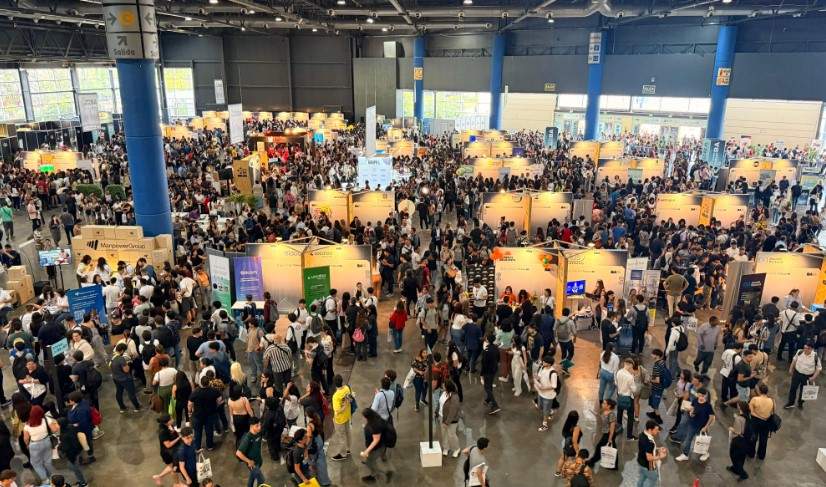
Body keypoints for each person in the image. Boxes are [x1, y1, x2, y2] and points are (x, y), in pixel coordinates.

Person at [672, 387, 715, 462]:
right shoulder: (695, 400)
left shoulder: (708, 405)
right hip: (692, 424)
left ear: (705, 396)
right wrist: (691, 413)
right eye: (699, 395)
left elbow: (711, 417)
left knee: (702, 441)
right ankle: (685, 454)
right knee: (688, 440)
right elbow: (692, 408)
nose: (700, 397)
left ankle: (705, 453)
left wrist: (706, 427)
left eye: (702, 396)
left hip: (702, 427)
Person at [23, 405, 59, 481]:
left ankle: (45, 479)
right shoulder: (46, 419)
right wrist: (56, 423)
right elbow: (55, 430)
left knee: (36, 464)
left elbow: (26, 438)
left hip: (34, 445)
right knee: (47, 461)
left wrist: (27, 445)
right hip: (46, 441)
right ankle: (52, 477)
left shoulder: (27, 424)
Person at [784, 340, 821, 409]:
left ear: (812, 349)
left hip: (807, 376)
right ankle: (791, 403)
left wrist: (813, 377)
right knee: (793, 388)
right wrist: (791, 369)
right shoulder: (800, 352)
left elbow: (818, 368)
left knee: (804, 391)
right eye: (805, 348)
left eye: (808, 348)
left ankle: (800, 403)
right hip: (797, 373)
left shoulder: (815, 356)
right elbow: (794, 360)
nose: (805, 350)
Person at [360, 408, 393, 483]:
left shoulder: (375, 426)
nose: (363, 418)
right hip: (378, 446)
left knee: (369, 462)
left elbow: (376, 440)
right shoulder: (375, 419)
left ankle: (377, 475)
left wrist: (366, 451)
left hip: (377, 448)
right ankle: (380, 471)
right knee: (371, 460)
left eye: (364, 417)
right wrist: (366, 427)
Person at [635, 420, 667, 487]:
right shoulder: (649, 442)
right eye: (656, 430)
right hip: (648, 466)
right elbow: (649, 458)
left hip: (640, 462)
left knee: (642, 477)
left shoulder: (642, 434)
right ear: (650, 430)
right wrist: (660, 456)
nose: (658, 431)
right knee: (653, 479)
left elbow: (646, 448)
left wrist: (657, 449)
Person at [727, 401, 753, 480]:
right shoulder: (748, 416)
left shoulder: (738, 419)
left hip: (738, 441)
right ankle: (735, 469)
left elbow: (738, 431)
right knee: (741, 457)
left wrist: (731, 428)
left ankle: (743, 474)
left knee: (734, 456)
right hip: (746, 441)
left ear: (740, 408)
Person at [747, 382, 774, 461]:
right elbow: (772, 412)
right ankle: (761, 455)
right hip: (766, 421)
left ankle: (751, 453)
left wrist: (758, 416)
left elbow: (751, 411)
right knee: (764, 439)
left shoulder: (755, 399)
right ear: (767, 392)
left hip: (755, 421)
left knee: (753, 437)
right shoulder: (771, 401)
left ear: (759, 391)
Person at [236, 417, 265, 487]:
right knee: (261, 480)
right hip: (253, 465)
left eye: (260, 425)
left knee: (252, 476)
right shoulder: (247, 438)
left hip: (258, 460)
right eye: (257, 426)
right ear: (251, 426)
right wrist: (249, 461)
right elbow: (238, 453)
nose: (259, 427)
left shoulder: (258, 433)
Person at [330, 374, 353, 461]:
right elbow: (350, 399)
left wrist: (344, 405)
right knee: (348, 432)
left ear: (334, 383)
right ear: (342, 381)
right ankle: (348, 449)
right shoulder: (347, 388)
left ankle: (343, 454)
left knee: (341, 436)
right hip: (347, 415)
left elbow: (337, 410)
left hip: (340, 419)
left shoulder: (336, 396)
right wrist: (346, 403)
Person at [534, 353, 559, 431]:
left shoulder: (553, 373)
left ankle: (545, 425)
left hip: (548, 395)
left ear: (549, 364)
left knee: (545, 410)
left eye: (544, 362)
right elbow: (540, 376)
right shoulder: (542, 367)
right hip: (541, 392)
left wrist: (544, 388)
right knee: (539, 406)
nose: (542, 362)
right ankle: (550, 411)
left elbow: (554, 386)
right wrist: (536, 377)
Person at [555, 410, 582, 477]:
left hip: (565, 443)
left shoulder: (567, 424)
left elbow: (564, 434)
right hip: (571, 446)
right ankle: (566, 473)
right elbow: (574, 441)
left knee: (563, 458)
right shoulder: (576, 428)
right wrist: (577, 451)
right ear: (577, 418)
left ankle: (558, 472)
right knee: (571, 461)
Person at [480, 333, 501, 415]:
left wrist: (481, 374)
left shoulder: (486, 350)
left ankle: (495, 405)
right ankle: (488, 399)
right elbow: (498, 359)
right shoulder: (496, 348)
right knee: (490, 384)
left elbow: (483, 363)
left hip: (487, 371)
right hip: (494, 369)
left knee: (487, 387)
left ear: (487, 340)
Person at [440, 380, 462, 458]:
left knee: (451, 435)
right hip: (442, 416)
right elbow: (441, 403)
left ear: (448, 387)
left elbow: (453, 411)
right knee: (444, 434)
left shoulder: (455, 397)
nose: (442, 386)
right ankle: (446, 448)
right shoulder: (443, 393)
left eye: (444, 385)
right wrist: (437, 411)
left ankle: (457, 449)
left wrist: (447, 422)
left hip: (451, 420)